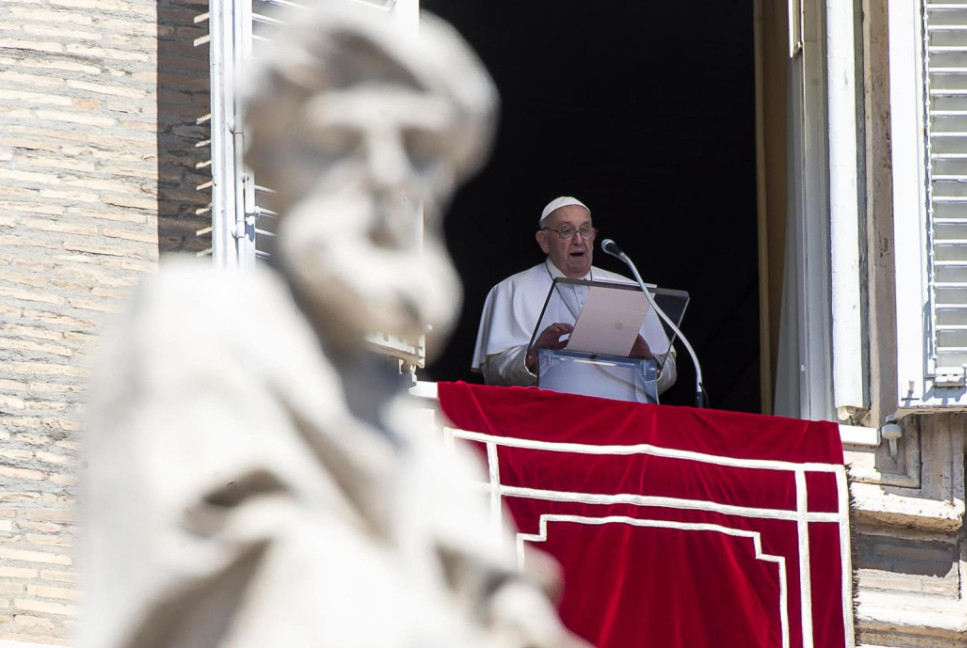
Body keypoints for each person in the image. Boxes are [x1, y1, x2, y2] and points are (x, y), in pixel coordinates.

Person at [81, 5, 586, 648]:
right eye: (343, 142)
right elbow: (254, 586)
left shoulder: (408, 426)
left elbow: (506, 605)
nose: (389, 177)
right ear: (269, 160)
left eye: (420, 152)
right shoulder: (194, 321)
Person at [471, 197, 677, 396]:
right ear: (544, 241)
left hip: (619, 416)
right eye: (566, 231)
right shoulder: (511, 290)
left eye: (585, 230)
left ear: (593, 237)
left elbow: (669, 369)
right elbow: (495, 374)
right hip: (547, 417)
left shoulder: (630, 288)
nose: (579, 240)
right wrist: (533, 355)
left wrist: (648, 361)